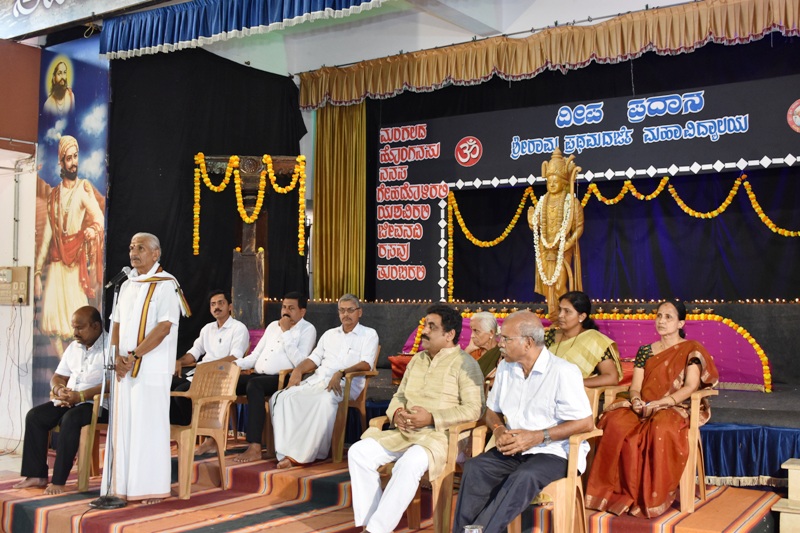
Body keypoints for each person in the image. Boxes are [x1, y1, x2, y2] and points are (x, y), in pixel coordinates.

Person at [452, 310, 594, 533]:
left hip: (553, 451)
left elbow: (585, 423)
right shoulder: (506, 367)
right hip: (514, 448)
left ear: (528, 342)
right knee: (475, 468)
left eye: (506, 339)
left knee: (524, 477)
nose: (500, 343)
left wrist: (538, 436)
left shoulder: (562, 372)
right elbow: (491, 410)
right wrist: (498, 430)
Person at [349, 304, 484, 533]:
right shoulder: (417, 359)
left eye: (432, 327)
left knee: (409, 462)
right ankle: (370, 523)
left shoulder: (465, 364)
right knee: (358, 452)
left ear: (449, 334)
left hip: (442, 437)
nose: (425, 331)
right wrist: (397, 413)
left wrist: (432, 418)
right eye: (425, 325)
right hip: (405, 433)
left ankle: (376, 530)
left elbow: (474, 410)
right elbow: (400, 396)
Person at [584, 299, 719, 518]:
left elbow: (690, 386)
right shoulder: (645, 351)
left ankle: (650, 498)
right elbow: (636, 387)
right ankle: (611, 494)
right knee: (614, 422)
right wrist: (637, 400)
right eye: (659, 316)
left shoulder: (691, 350)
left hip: (674, 406)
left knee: (660, 429)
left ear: (681, 324)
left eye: (668, 317)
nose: (661, 321)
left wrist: (664, 402)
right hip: (644, 405)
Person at [103, 233, 190, 504]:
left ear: (155, 254)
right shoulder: (126, 285)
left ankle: (151, 487)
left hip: (151, 370)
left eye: (140, 247)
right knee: (124, 428)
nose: (133, 252)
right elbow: (116, 325)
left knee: (148, 428)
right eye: (131, 247)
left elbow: (164, 327)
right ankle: (122, 486)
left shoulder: (167, 284)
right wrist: (117, 357)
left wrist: (133, 355)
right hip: (123, 370)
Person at [269, 294, 378, 469]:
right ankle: (286, 451)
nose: (346, 314)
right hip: (318, 380)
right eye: (342, 310)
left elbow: (366, 363)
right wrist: (298, 370)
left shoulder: (369, 334)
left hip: (346, 384)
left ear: (360, 312)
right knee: (280, 397)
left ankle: (305, 455)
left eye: (350, 310)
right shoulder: (329, 334)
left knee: (323, 400)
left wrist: (341, 373)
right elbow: (314, 359)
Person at [14, 306, 107, 495]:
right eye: (74, 327)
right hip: (69, 400)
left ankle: (59, 481)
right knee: (35, 416)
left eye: (80, 328)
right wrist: (59, 389)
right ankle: (36, 475)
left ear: (96, 326)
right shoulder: (74, 347)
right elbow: (58, 376)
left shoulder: (111, 347)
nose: (75, 333)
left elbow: (113, 383)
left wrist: (81, 396)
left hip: (95, 404)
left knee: (70, 419)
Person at [34, 134, 104, 353]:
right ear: (61, 162)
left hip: (74, 264)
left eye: (75, 157)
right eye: (68, 158)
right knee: (52, 323)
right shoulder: (54, 195)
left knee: (78, 321)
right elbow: (47, 236)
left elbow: (99, 218)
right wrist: (37, 272)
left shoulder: (83, 188)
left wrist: (93, 229)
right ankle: (64, 366)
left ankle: (78, 364)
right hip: (56, 264)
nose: (73, 162)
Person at [232, 291, 316, 463]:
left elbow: (300, 362)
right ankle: (211, 438)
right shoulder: (272, 326)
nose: (286, 312)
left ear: (302, 311)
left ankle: (255, 446)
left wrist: (286, 332)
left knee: (254, 386)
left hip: (283, 379)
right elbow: (255, 356)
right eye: (284, 307)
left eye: (291, 308)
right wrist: (234, 365)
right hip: (258, 375)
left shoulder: (308, 329)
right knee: (229, 381)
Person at [170, 290, 249, 443]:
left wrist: (209, 367)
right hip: (201, 373)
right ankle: (181, 432)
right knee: (170, 385)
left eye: (220, 303)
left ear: (230, 306)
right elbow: (194, 353)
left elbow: (235, 357)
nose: (216, 307)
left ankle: (199, 435)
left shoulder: (238, 328)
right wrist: (180, 362)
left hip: (222, 375)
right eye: (213, 304)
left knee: (183, 391)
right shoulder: (207, 328)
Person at [527, 148, 584, 320]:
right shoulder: (542, 202)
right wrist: (531, 222)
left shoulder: (572, 202)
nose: (551, 184)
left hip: (562, 250)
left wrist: (569, 243)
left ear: (563, 181)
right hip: (545, 249)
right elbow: (537, 226)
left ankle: (565, 316)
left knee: (560, 285)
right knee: (548, 287)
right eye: (549, 181)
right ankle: (553, 317)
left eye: (555, 180)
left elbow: (579, 227)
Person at [545, 291, 622, 387]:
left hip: (574, 392)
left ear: (581, 316)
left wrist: (574, 384)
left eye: (567, 311)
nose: (560, 315)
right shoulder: (548, 336)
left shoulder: (594, 340)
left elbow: (611, 377)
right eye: (560, 310)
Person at [464, 311, 502, 379]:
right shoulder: (472, 352)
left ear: (491, 333)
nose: (472, 335)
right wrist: (468, 350)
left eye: (476, 331)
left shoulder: (501, 354)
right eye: (472, 331)